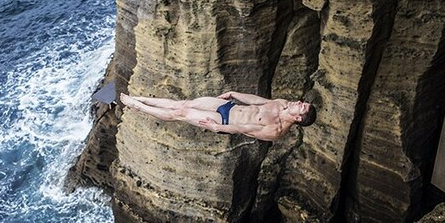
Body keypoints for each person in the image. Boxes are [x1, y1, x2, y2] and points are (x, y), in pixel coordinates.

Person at [120, 91, 316, 141]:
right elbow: (257, 101)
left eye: (301, 106)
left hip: (224, 122)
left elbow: (244, 130)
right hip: (227, 107)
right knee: (183, 104)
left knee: (179, 114)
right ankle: (138, 98)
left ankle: (138, 106)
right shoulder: (282, 103)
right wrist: (234, 94)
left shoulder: (276, 131)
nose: (298, 102)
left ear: (298, 118)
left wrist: (217, 128)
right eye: (301, 102)